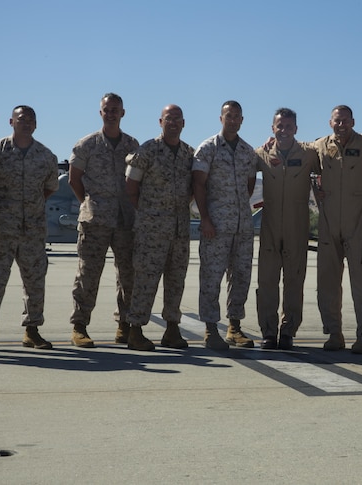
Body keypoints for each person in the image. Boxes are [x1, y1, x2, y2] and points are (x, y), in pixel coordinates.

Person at [0, 106, 59, 352]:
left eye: (31, 120)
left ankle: (32, 331)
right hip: (1, 229)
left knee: (35, 282)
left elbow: (50, 187)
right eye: (22, 119)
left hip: (33, 230)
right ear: (11, 121)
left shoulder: (45, 156)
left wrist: (31, 204)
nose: (26, 123)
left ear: (36, 124)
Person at [312, 105, 362, 354]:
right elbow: (296, 149)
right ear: (330, 122)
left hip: (359, 223)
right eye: (337, 120)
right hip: (329, 222)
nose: (341, 124)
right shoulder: (320, 146)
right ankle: (334, 333)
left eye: (345, 120)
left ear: (353, 122)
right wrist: (270, 143)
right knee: (327, 282)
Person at [68, 93, 140, 348]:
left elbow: (138, 181)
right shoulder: (87, 144)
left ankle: (124, 325)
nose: (110, 113)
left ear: (123, 113)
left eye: (115, 110)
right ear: (101, 113)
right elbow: (73, 178)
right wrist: (88, 203)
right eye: (106, 109)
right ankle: (80, 326)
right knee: (88, 274)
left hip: (124, 219)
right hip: (95, 219)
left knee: (128, 275)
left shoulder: (132, 145)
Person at [123, 104, 194, 351]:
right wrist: (149, 215)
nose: (172, 123)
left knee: (176, 281)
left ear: (183, 124)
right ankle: (135, 331)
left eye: (177, 119)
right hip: (151, 231)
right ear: (160, 122)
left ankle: (172, 330)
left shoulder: (189, 154)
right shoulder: (146, 151)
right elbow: (131, 188)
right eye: (168, 119)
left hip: (179, 231)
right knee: (145, 280)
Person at [192, 100, 258, 350]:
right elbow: (198, 184)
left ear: (242, 120)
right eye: (228, 116)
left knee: (241, 277)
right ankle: (210, 329)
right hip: (215, 226)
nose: (233, 120)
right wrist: (205, 218)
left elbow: (249, 185)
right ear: (221, 118)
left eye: (237, 116)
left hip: (242, 227)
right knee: (211, 277)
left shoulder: (247, 151)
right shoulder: (208, 148)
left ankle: (234, 327)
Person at [254, 108, 320, 350]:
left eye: (288, 126)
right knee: (267, 282)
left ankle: (288, 331)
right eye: (279, 126)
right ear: (273, 128)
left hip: (297, 228)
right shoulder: (260, 154)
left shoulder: (309, 153)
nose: (283, 130)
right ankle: (269, 332)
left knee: (294, 282)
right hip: (270, 228)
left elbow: (332, 152)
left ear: (296, 129)